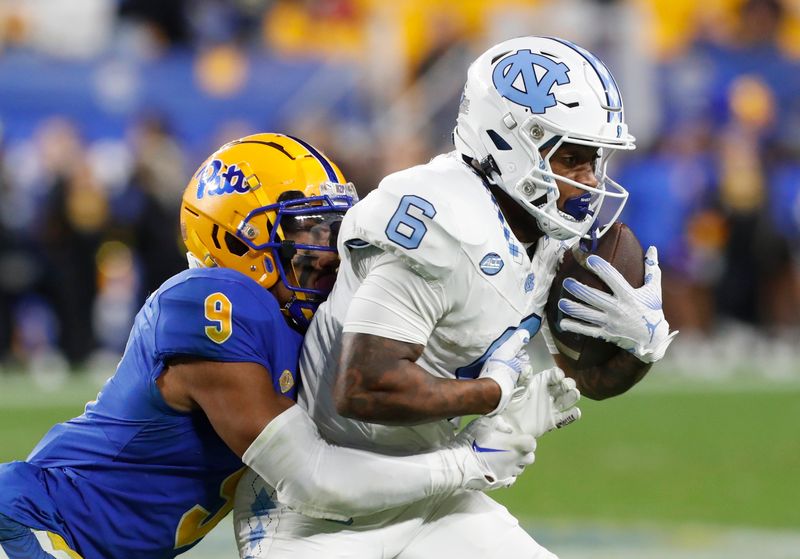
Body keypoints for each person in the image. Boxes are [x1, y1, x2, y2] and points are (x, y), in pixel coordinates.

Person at [0, 133, 557, 559]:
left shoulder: (298, 318)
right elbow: (312, 475)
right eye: (308, 229)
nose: (330, 250)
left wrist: (502, 356)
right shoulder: (211, 301)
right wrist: (467, 463)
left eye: (333, 228)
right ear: (232, 236)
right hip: (33, 523)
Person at [235, 36, 676, 558]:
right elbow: (364, 386)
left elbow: (591, 380)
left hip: (430, 496)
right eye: (574, 160)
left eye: (593, 161)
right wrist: (493, 397)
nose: (588, 182)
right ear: (513, 143)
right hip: (314, 510)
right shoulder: (440, 220)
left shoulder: (543, 232)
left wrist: (640, 345)